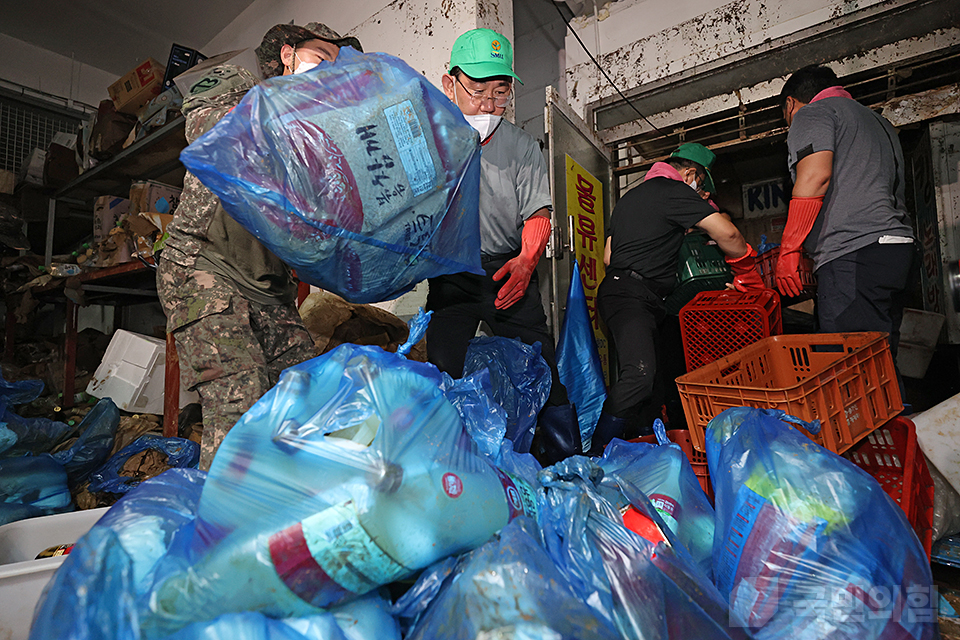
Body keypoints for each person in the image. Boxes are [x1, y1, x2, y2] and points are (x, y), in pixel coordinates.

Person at [158, 23, 362, 471]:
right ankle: (219, 531)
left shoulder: (324, 145)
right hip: (203, 270)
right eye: (321, 56)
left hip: (268, 290)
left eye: (340, 67)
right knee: (239, 405)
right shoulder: (242, 91)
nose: (329, 70)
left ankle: (285, 511)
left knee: (308, 396)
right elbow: (203, 126)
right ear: (288, 54)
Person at [426, 28, 580, 465]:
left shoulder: (522, 146)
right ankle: (453, 463)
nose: (490, 106)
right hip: (449, 273)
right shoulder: (428, 141)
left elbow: (539, 214)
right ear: (449, 84)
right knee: (443, 366)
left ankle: (565, 463)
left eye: (501, 93)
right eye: (478, 92)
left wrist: (528, 261)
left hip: (506, 270)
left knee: (541, 366)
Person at [590, 143, 765, 454]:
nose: (702, 198)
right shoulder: (674, 190)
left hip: (624, 292)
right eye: (701, 190)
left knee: (653, 386)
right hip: (632, 297)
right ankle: (594, 451)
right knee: (641, 375)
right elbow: (730, 236)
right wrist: (747, 273)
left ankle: (646, 450)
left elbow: (607, 257)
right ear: (691, 174)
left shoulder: (630, 198)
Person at [776, 65, 915, 368]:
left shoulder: (811, 114)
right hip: (895, 249)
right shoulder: (879, 122)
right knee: (881, 362)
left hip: (855, 253)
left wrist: (789, 249)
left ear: (790, 104)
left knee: (851, 368)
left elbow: (815, 177)